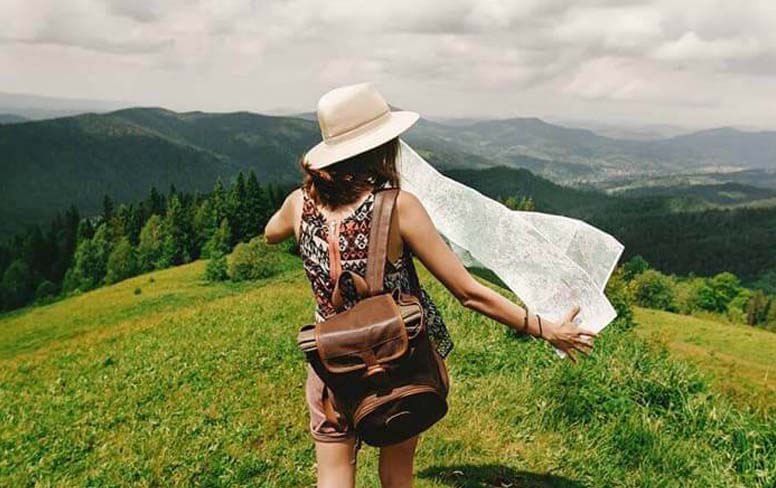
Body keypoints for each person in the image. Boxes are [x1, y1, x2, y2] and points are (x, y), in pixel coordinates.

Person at [265, 83, 597, 488]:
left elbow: (271, 233)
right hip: (396, 357)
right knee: (396, 473)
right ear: (383, 146)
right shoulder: (397, 207)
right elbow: (468, 292)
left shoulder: (299, 203)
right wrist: (545, 329)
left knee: (333, 473)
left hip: (331, 359)